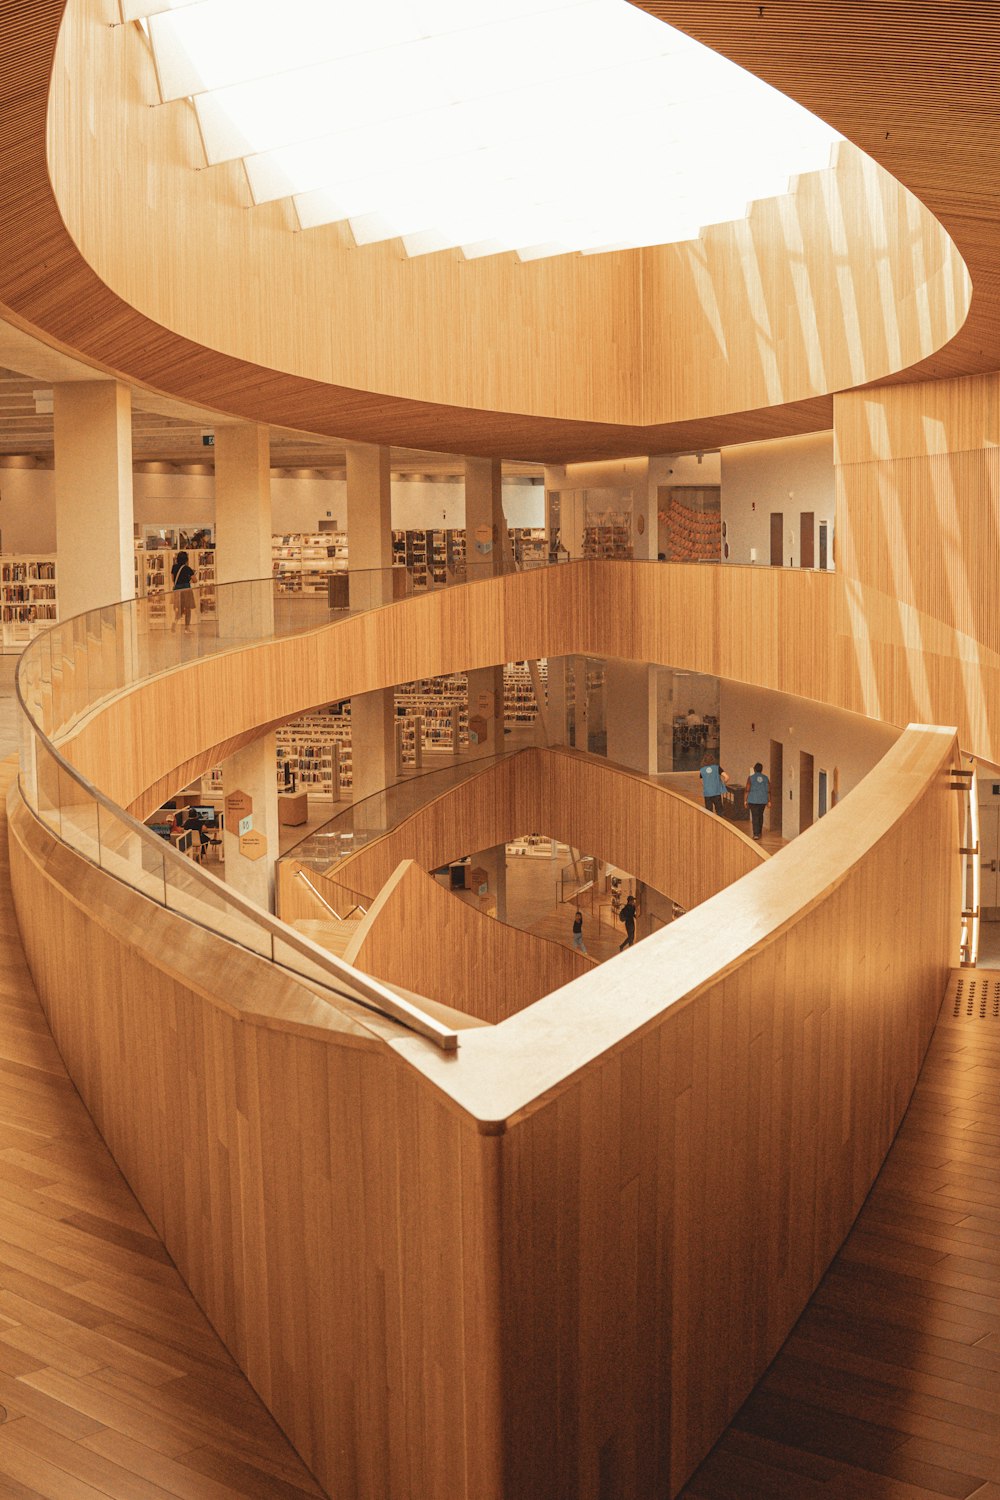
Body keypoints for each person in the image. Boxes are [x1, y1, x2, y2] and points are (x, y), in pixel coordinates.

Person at [171, 549, 196, 632]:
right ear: (186, 559)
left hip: (177, 591)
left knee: (180, 609)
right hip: (186, 590)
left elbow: (173, 579)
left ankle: (174, 622)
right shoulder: (188, 569)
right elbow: (195, 580)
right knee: (188, 609)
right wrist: (189, 578)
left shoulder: (174, 567)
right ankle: (187, 628)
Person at [745, 761, 771, 841]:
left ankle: (756, 834)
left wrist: (745, 800)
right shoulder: (766, 778)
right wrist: (769, 801)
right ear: (761, 770)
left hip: (753, 800)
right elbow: (769, 790)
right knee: (760, 815)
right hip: (763, 800)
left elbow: (747, 789)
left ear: (754, 769)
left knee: (755, 816)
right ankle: (759, 831)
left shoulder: (750, 778)